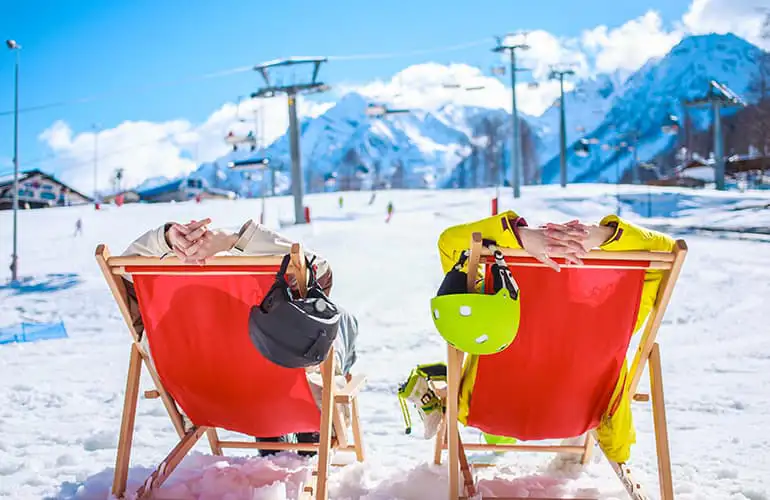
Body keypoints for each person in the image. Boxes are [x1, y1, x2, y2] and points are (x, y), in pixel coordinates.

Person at [435, 210, 676, 464]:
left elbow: (449, 242)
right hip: (585, 413)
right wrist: (605, 235)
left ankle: (499, 438)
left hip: (487, 409)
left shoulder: (495, 307)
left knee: (481, 342)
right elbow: (669, 249)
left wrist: (518, 236)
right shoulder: (619, 313)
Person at [121, 218, 359, 457]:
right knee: (342, 323)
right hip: (294, 401)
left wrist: (168, 240)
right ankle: (309, 432)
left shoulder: (160, 319)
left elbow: (126, 267)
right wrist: (234, 241)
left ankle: (271, 435)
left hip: (205, 402)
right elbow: (320, 272)